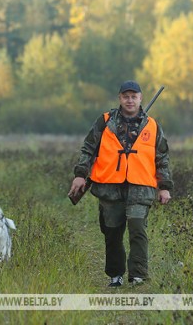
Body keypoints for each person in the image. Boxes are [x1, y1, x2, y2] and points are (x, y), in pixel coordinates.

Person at [68, 80, 173, 287]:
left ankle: (138, 275)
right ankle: (115, 275)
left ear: (140, 98)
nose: (130, 100)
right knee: (112, 232)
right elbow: (88, 148)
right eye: (126, 96)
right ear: (120, 98)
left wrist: (165, 187)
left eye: (134, 96)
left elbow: (162, 158)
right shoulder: (105, 121)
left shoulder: (152, 125)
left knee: (137, 228)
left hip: (141, 187)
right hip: (109, 186)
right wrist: (81, 174)